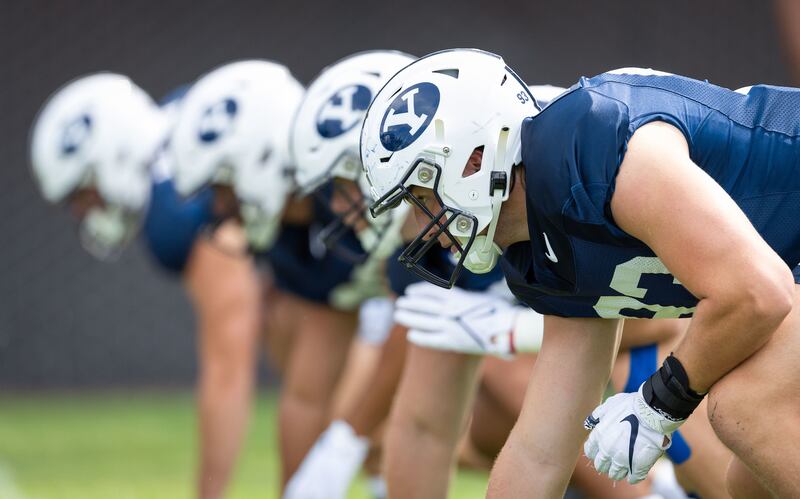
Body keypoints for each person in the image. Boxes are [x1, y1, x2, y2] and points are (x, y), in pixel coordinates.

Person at [361, 48, 797, 497]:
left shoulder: (594, 141)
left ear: (473, 162)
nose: (422, 224)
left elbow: (757, 293)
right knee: (751, 485)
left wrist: (657, 405)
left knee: (748, 408)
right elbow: (540, 453)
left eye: (423, 195)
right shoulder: (541, 247)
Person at [29, 72, 268, 499]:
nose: (88, 211)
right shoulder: (181, 120)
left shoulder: (176, 207)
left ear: (111, 155)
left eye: (85, 194)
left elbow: (228, 366)